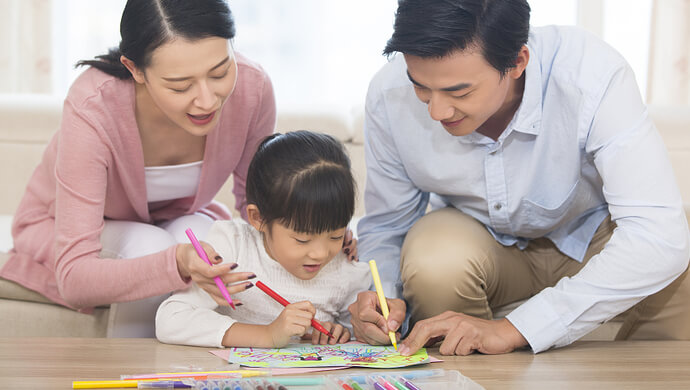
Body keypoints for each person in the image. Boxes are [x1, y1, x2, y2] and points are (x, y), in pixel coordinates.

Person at [349, 0, 690, 356]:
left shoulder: (591, 74)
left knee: (677, 266)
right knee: (433, 261)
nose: (437, 111)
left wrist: (515, 329)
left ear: (517, 62)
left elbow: (656, 235)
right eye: (420, 87)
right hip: (478, 242)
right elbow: (388, 227)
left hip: (594, 236)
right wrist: (382, 298)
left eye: (459, 92)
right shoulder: (388, 95)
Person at [0, 0, 275, 337]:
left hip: (172, 222)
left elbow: (260, 208)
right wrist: (174, 262)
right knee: (151, 246)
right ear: (135, 69)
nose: (207, 100)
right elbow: (73, 276)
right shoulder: (94, 106)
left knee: (210, 240)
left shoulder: (253, 89)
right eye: (180, 85)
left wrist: (318, 235)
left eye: (220, 72)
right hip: (62, 227)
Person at [155, 131, 371, 348]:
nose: (321, 253)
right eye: (302, 239)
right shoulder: (232, 247)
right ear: (258, 218)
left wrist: (341, 332)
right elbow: (170, 319)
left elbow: (357, 332)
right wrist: (266, 335)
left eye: (335, 235)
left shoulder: (346, 268)